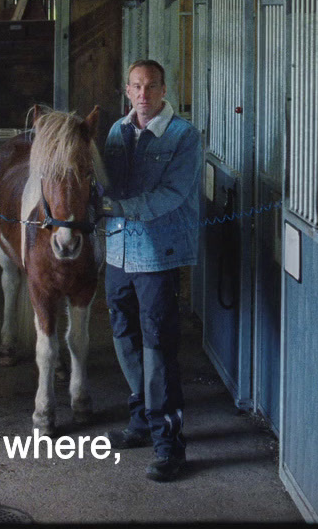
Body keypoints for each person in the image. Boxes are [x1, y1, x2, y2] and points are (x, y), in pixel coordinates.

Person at [99, 58, 202, 482]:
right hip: (117, 253)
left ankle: (169, 445)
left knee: (158, 346)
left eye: (152, 87)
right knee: (124, 335)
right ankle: (141, 422)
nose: (144, 95)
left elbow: (171, 194)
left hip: (158, 256)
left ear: (164, 90)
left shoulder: (184, 136)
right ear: (127, 90)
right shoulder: (116, 131)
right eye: (137, 87)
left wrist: (118, 207)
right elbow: (103, 183)